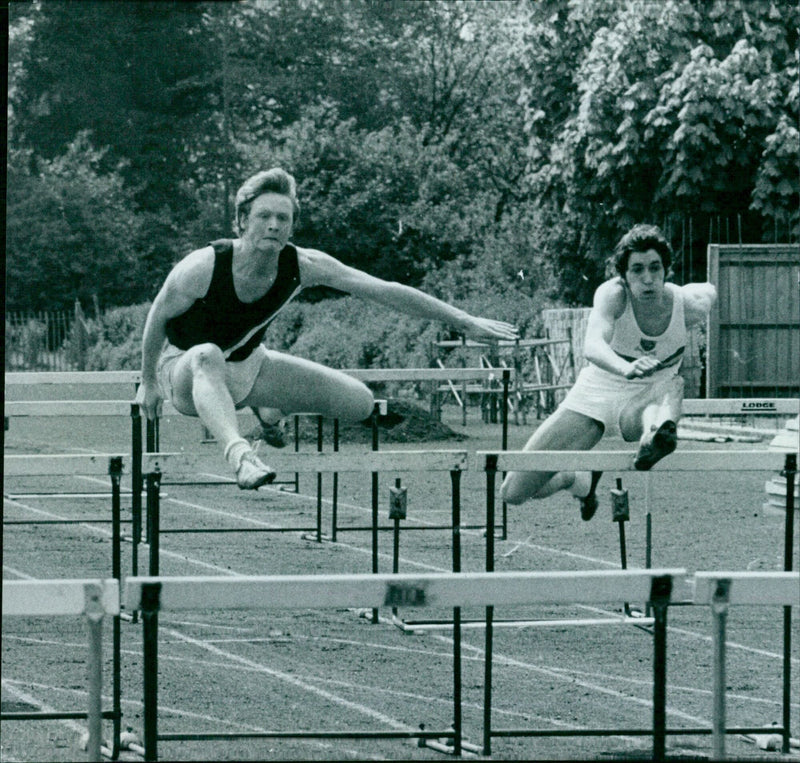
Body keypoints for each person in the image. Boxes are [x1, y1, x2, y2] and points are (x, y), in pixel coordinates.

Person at [136, 168, 518, 489]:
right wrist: (149, 382)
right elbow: (158, 315)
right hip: (185, 370)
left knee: (360, 403)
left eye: (282, 219)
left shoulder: (303, 264)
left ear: (292, 226)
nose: (273, 225)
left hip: (250, 365)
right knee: (208, 354)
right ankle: (242, 457)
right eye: (263, 216)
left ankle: (268, 409)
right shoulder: (203, 265)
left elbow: (384, 290)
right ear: (240, 221)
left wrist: (464, 321)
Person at [500, 224, 716, 520]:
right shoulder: (613, 295)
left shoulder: (689, 305)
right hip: (597, 391)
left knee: (673, 385)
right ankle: (576, 479)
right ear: (624, 277)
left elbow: (709, 291)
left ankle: (654, 437)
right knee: (514, 493)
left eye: (655, 268)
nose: (648, 279)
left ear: (667, 271)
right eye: (637, 270)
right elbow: (592, 345)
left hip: (645, 399)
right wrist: (626, 366)